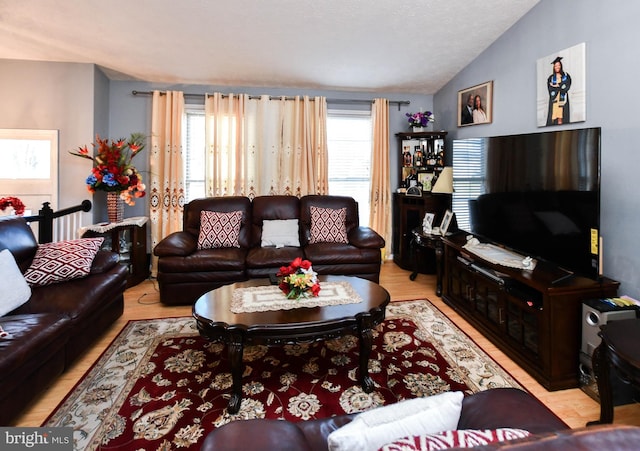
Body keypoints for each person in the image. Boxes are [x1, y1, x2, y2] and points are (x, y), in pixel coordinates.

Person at [546, 56, 571, 125]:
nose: (557, 67)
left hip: (562, 100)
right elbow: (550, 89)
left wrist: (556, 85)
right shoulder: (551, 78)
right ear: (554, 67)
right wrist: (559, 86)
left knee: (561, 118)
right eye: (556, 66)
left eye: (558, 65)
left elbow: (566, 86)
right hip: (554, 100)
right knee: (553, 118)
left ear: (561, 66)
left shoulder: (565, 76)